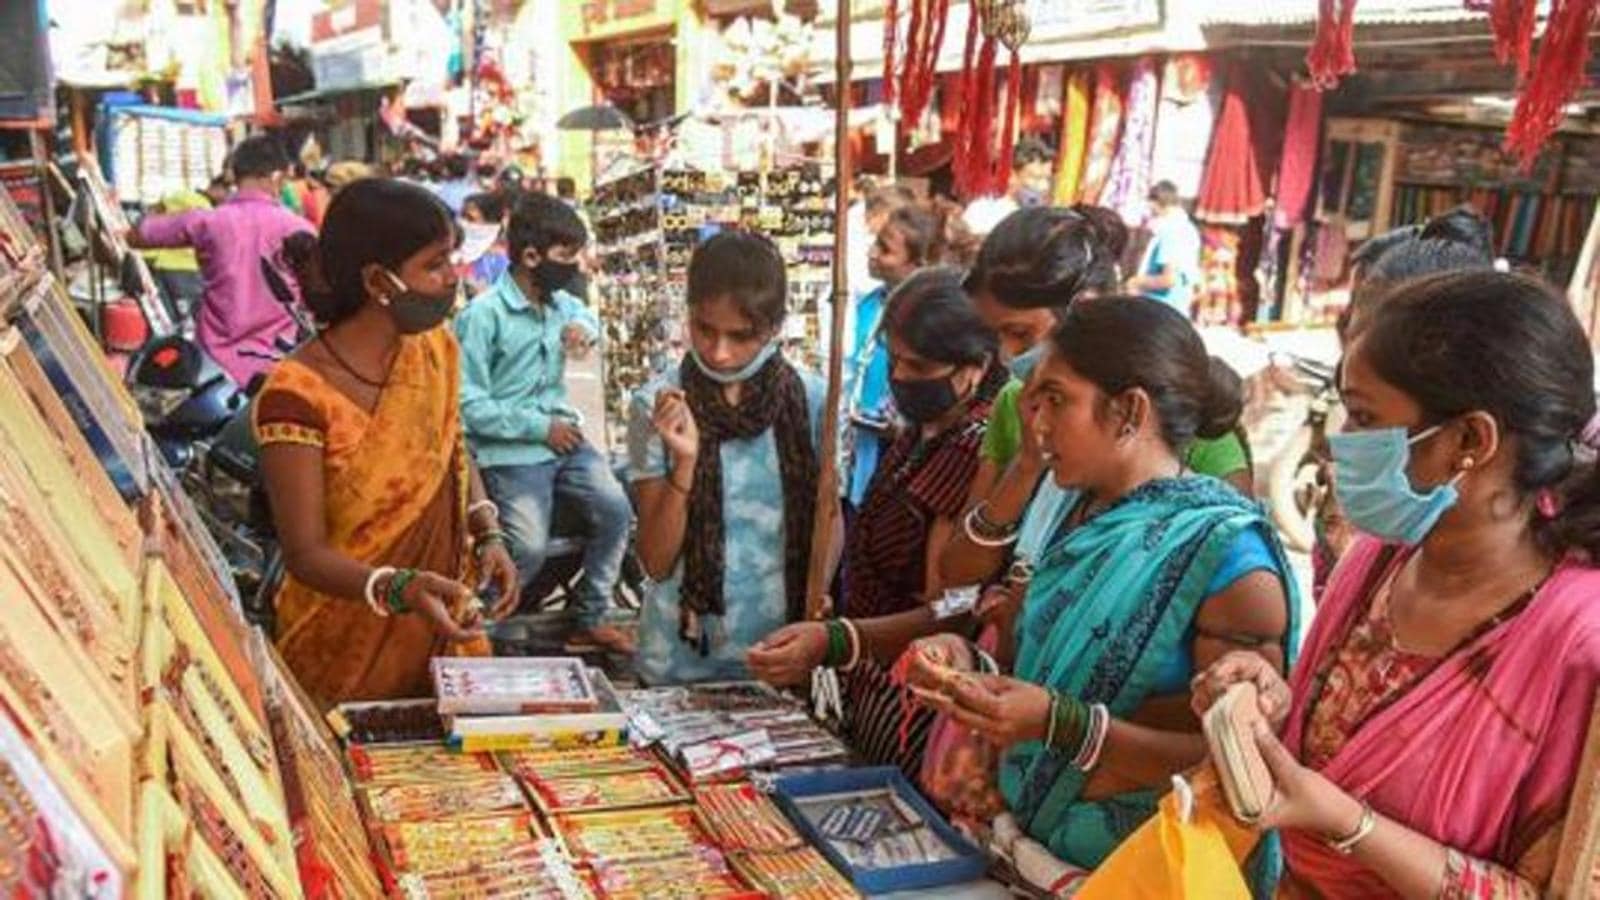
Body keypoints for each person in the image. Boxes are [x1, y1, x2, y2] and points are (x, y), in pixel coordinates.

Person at [753, 297, 1298, 882]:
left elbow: (1235, 763)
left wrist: (1058, 725)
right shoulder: (1078, 510)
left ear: (1128, 411)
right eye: (1034, 400)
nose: (1036, 425)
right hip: (1032, 856)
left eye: (1056, 401)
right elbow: (1024, 655)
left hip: (1145, 874)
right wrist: (966, 666)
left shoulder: (1229, 560)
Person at [1194, 270, 1600, 899]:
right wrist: (1266, 703)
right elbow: (1339, 743)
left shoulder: (1578, 640)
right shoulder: (1377, 561)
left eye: (1362, 417)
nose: (1338, 444)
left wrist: (1347, 824)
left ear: (1470, 439)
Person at [254, 178, 519, 707]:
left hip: (443, 627)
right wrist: (397, 588)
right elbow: (305, 554)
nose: (454, 277)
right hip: (342, 647)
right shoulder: (296, 394)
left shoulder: (434, 349)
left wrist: (487, 530)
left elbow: (450, 448)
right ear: (379, 280)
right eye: (436, 264)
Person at [753, 267, 1008, 777]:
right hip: (873, 674)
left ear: (973, 368)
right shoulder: (921, 430)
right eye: (895, 360)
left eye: (920, 365)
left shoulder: (972, 448)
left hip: (914, 693)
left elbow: (951, 606)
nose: (902, 377)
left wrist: (839, 638)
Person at [941, 206, 1252, 591]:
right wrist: (1026, 464)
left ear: (1085, 312)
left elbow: (1221, 575)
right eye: (997, 338)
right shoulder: (1016, 405)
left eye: (1020, 333)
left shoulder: (1185, 421)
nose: (1008, 355)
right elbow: (957, 578)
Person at [628, 230, 826, 685]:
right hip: (677, 658)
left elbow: (828, 521)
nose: (719, 352)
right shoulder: (647, 408)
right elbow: (655, 561)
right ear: (688, 313)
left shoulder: (816, 402)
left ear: (775, 327)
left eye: (741, 336)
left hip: (780, 653)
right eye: (704, 329)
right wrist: (685, 466)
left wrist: (818, 615)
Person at [455, 193, 634, 654]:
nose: (574, 266)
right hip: (510, 452)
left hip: (565, 443)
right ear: (531, 257)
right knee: (528, 547)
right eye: (565, 256)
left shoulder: (560, 305)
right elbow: (466, 404)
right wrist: (538, 428)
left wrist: (585, 333)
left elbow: (585, 320)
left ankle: (590, 615)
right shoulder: (483, 317)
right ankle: (482, 627)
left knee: (616, 510)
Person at [129, 135, 314, 387]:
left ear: (235, 176)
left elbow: (140, 234)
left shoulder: (210, 221)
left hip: (214, 371)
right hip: (276, 367)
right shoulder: (300, 229)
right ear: (277, 177)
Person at [845, 203, 943, 509]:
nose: (872, 253)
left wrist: (904, 426)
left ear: (917, 264)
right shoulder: (865, 305)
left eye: (885, 249)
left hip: (896, 451)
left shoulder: (930, 322)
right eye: (876, 242)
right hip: (855, 444)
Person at [1126, 180, 1202, 316]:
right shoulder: (1189, 230)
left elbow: (1168, 279)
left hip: (1160, 309)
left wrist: (1135, 282)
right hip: (1177, 308)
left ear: (1155, 203)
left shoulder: (1170, 232)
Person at [141, 187, 211, 324]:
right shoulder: (201, 204)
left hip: (170, 265)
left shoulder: (186, 197)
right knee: (189, 318)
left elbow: (153, 214)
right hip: (188, 268)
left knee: (168, 317)